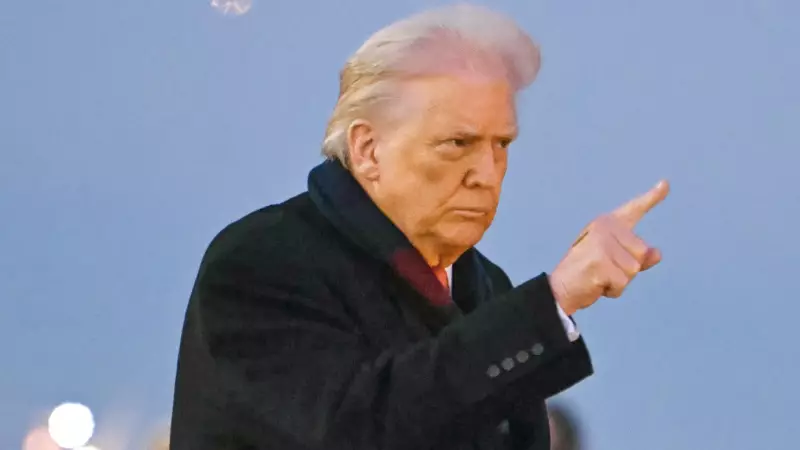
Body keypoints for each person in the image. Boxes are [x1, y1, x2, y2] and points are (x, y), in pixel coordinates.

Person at [169, 4, 669, 450]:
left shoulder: (487, 287)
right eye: (458, 143)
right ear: (368, 150)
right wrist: (553, 301)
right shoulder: (261, 264)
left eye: (502, 144)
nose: (487, 173)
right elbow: (361, 430)